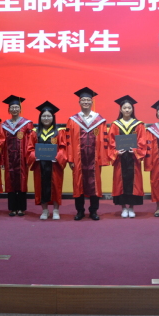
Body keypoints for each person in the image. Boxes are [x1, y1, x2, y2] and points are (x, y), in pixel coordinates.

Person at [65, 87, 109, 221]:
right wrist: (70, 159)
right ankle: (80, 211)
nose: (85, 102)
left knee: (94, 184)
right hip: (78, 158)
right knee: (78, 183)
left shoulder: (99, 120)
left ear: (92, 102)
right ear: (79, 102)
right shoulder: (73, 120)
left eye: (88, 100)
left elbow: (103, 140)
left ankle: (93, 211)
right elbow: (69, 141)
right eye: (83, 100)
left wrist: (102, 158)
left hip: (94, 159)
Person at [26, 101, 67, 220]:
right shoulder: (35, 133)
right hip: (40, 165)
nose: (46, 118)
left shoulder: (59, 132)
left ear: (53, 117)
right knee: (41, 187)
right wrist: (35, 156)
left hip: (54, 165)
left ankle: (56, 210)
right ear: (40, 118)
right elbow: (30, 149)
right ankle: (44, 210)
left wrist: (58, 157)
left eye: (49, 116)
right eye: (44, 116)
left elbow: (63, 148)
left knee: (56, 186)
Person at [108, 95, 146, 218]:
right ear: (120, 109)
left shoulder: (139, 125)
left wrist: (135, 150)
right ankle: (124, 207)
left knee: (134, 183)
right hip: (120, 159)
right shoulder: (115, 125)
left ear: (132, 109)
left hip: (133, 158)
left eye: (129, 108)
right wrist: (115, 152)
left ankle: (132, 208)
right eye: (125, 108)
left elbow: (142, 141)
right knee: (121, 183)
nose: (127, 110)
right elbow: (111, 142)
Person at [1, 95, 33, 217]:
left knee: (22, 181)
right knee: (10, 182)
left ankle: (21, 208)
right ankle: (12, 208)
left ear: (20, 109)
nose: (14, 109)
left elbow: (30, 142)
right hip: (9, 158)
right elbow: (2, 144)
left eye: (16, 107)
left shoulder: (27, 124)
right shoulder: (4, 125)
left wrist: (29, 158)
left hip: (22, 159)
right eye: (12, 107)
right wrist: (2, 161)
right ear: (9, 110)